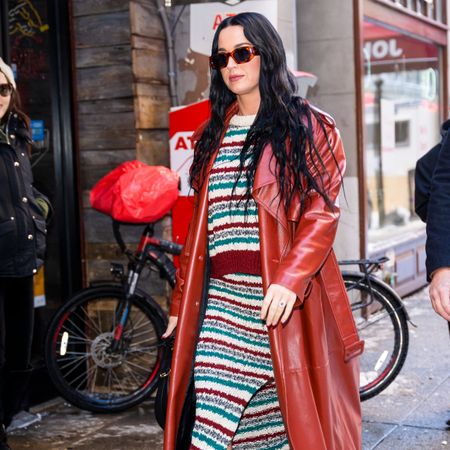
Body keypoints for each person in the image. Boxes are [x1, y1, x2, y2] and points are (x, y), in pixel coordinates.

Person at [162, 13, 363, 450]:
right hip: (221, 307)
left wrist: (291, 280)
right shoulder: (211, 135)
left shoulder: (306, 126)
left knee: (264, 430)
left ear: (266, 55)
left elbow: (320, 213)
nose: (231, 65)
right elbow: (201, 229)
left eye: (242, 53)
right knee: (212, 421)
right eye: (221, 58)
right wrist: (181, 302)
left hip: (278, 305)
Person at [0, 58, 50, 450]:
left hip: (22, 259)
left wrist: (38, 212)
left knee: (20, 357)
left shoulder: (16, 133)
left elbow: (24, 190)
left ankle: (5, 416)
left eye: (2, 89)